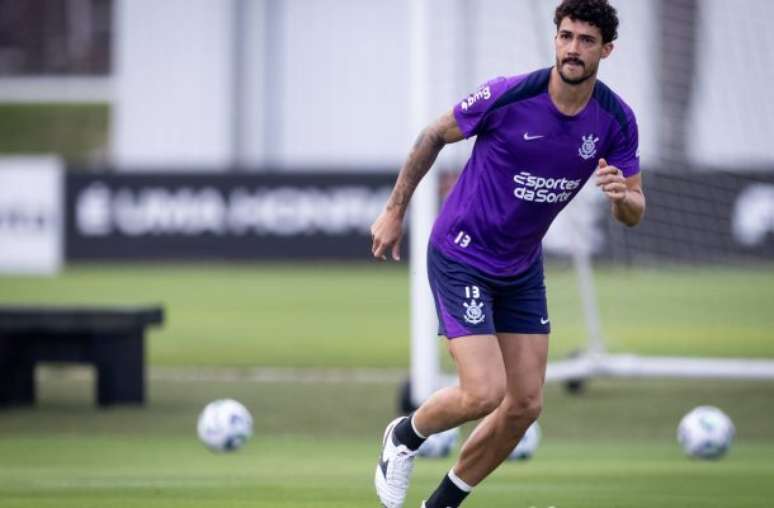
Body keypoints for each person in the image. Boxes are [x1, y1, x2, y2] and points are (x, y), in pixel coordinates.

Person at [370, 1, 645, 507]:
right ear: (555, 39)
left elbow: (634, 209)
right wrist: (394, 211)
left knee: (524, 406)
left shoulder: (615, 119)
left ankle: (440, 504)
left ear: (606, 50)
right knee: (483, 392)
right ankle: (405, 436)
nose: (573, 49)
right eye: (566, 36)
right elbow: (433, 134)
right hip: (462, 254)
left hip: (520, 267)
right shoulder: (510, 94)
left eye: (586, 41)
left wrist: (621, 197)